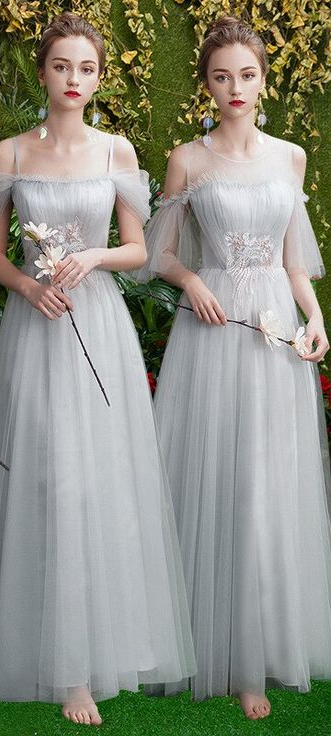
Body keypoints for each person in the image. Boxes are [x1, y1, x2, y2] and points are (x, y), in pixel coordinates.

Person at [0, 11, 195, 727]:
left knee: (94, 481)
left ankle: (91, 657)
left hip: (96, 325)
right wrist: (30, 284)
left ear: (98, 78)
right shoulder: (11, 153)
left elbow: (138, 251)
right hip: (36, 327)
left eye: (87, 69)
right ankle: (46, 655)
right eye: (62, 66)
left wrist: (92, 258)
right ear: (42, 71)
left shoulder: (117, 153)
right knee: (43, 477)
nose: (74, 80)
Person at [138, 15, 331, 720]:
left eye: (246, 74)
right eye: (221, 77)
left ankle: (259, 652)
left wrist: (315, 319)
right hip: (214, 331)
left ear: (262, 76)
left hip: (275, 333)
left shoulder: (291, 157)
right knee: (219, 478)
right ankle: (214, 648)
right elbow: (159, 255)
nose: (235, 88)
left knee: (267, 487)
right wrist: (191, 283)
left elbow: (293, 262)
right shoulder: (187, 159)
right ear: (207, 84)